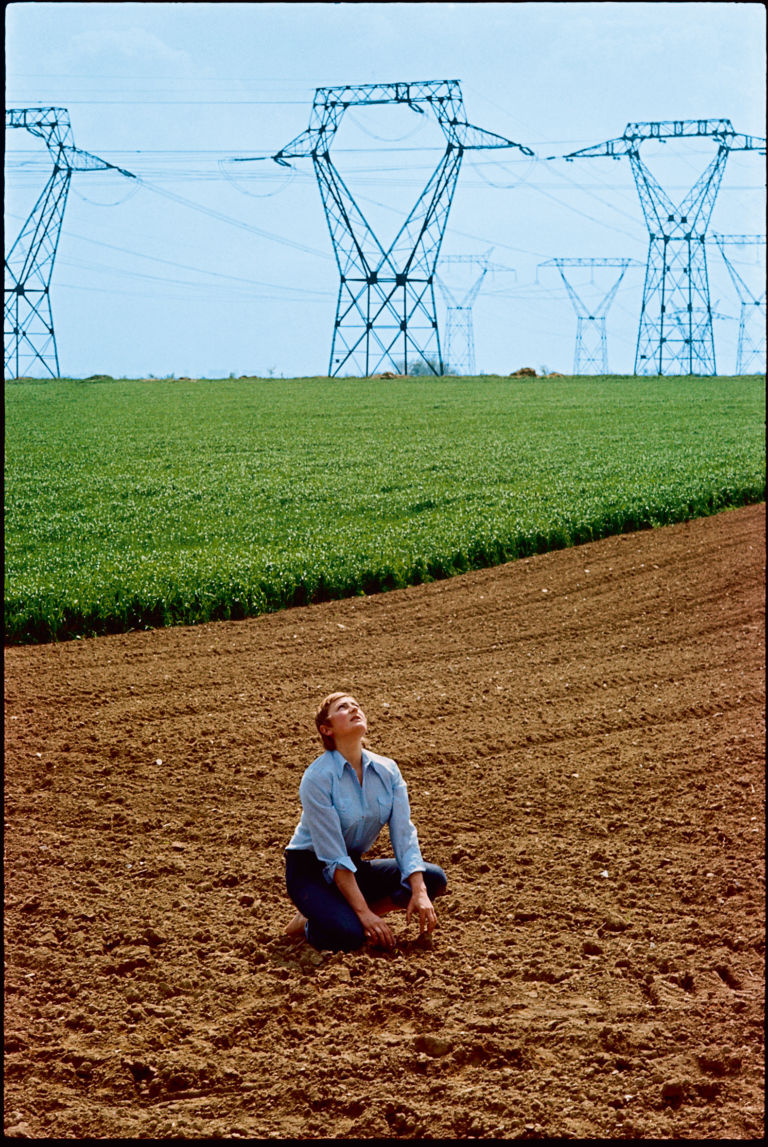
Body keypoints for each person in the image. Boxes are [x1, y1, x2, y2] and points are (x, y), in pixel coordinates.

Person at [284, 692, 447, 952]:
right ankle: (308, 923)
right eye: (342, 707)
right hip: (310, 870)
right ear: (326, 729)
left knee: (433, 878)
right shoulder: (317, 777)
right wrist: (364, 914)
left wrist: (419, 890)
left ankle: (344, 912)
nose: (353, 709)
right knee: (349, 936)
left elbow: (404, 834)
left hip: (352, 866)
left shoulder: (388, 770)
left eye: (356, 705)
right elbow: (333, 855)